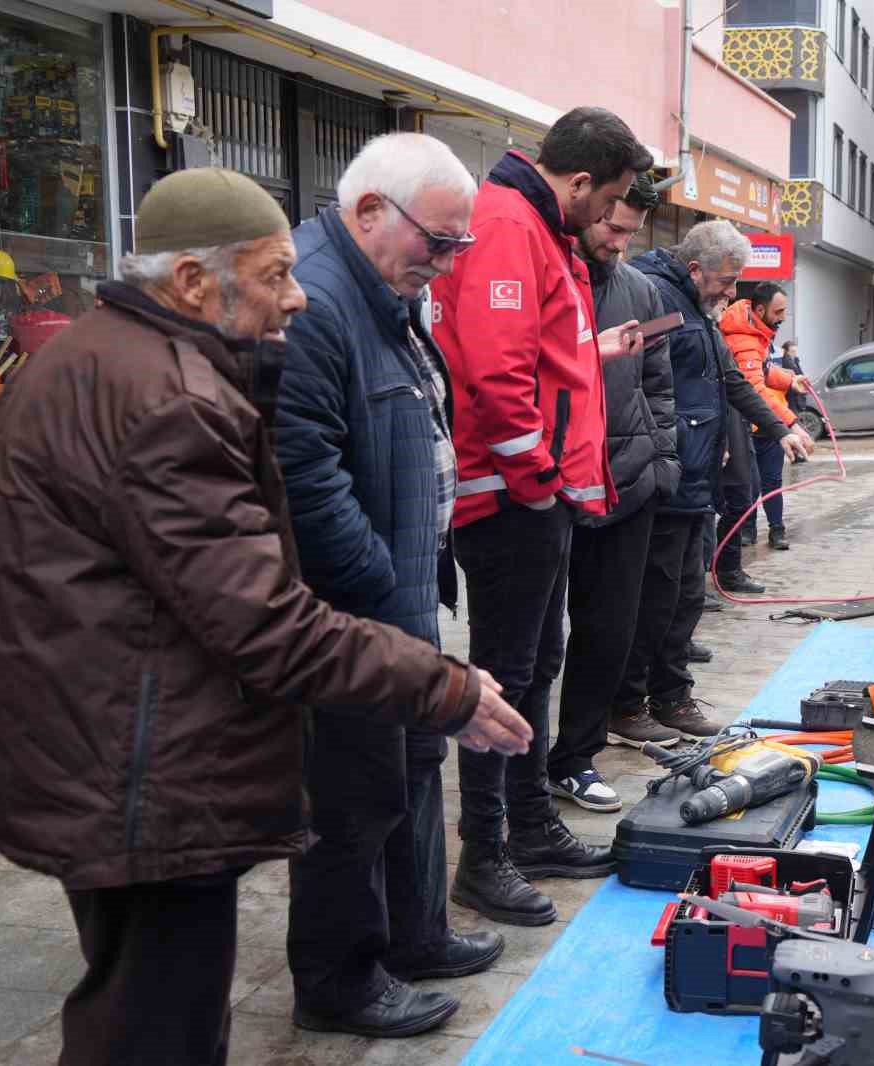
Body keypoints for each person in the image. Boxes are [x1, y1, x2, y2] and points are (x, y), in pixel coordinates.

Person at [0, 167, 532, 1066]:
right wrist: (443, 686)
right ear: (191, 282)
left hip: (90, 741)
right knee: (157, 1023)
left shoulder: (96, 354)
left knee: (132, 998)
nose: (295, 299)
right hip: (133, 769)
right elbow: (263, 621)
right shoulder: (167, 400)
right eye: (272, 276)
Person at [272, 134, 502, 1038]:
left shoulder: (382, 290)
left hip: (400, 590)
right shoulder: (320, 299)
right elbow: (304, 472)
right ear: (369, 211)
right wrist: (378, 583)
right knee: (354, 793)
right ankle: (340, 981)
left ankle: (417, 934)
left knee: (413, 761)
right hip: (356, 608)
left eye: (459, 249)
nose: (445, 267)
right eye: (437, 244)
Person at [430, 106, 654, 926]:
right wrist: (535, 480)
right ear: (583, 181)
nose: (610, 220)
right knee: (505, 673)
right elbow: (497, 372)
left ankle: (525, 826)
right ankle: (486, 852)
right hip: (509, 496)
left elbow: (538, 358)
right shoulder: (509, 226)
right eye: (612, 200)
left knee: (534, 664)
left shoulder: (530, 225)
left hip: (529, 492)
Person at [621, 222, 809, 743]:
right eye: (727, 281)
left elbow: (729, 379)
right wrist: (658, 457)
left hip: (696, 474)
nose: (733, 293)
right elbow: (633, 385)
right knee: (654, 598)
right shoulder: (655, 296)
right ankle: (628, 705)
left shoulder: (700, 313)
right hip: (664, 475)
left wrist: (782, 427)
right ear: (697, 268)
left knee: (684, 596)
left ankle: (671, 697)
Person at [545, 174, 683, 812]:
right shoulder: (550, 270)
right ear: (588, 206)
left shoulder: (638, 287)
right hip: (550, 483)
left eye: (630, 233)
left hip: (627, 482)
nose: (619, 241)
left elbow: (658, 381)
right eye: (612, 227)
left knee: (607, 633)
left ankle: (576, 755)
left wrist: (660, 458)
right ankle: (518, 776)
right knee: (542, 640)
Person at [719, 282, 812, 551]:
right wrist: (791, 423)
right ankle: (733, 555)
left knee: (770, 481)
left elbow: (763, 370)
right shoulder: (744, 338)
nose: (783, 317)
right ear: (760, 309)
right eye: (779, 311)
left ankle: (775, 530)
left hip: (768, 425)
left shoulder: (756, 330)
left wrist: (789, 380)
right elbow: (754, 388)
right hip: (753, 425)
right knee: (745, 488)